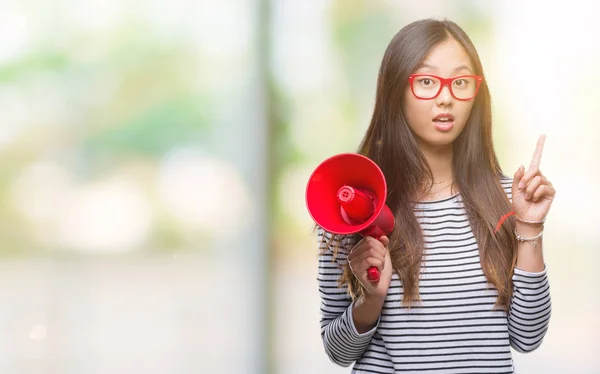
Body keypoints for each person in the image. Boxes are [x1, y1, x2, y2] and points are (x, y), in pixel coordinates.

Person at [316, 18, 554, 373]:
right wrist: (371, 299)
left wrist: (530, 226)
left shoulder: (508, 201)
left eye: (460, 82)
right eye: (426, 82)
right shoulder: (350, 210)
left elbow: (527, 337)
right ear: (395, 90)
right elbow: (338, 352)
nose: (445, 98)